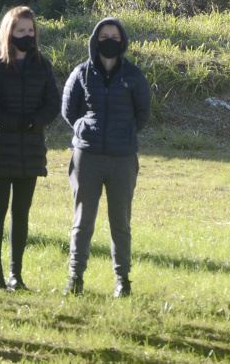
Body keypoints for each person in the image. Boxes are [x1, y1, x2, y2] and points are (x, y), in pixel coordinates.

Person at [60, 18, 151, 297]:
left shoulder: (134, 76)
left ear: (122, 41)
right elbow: (68, 109)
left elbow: (143, 114)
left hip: (122, 159)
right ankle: (75, 278)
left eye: (114, 36)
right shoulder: (81, 73)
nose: (109, 41)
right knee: (82, 221)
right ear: (94, 41)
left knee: (120, 223)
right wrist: (83, 129)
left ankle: (122, 280)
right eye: (103, 36)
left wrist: (121, 134)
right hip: (86, 158)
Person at [0, 7, 60, 292]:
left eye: (30, 31)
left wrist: (34, 122)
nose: (27, 35)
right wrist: (12, 123)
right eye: (21, 30)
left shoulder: (42, 64)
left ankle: (16, 275)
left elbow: (53, 104)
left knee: (21, 212)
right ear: (9, 32)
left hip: (31, 147)